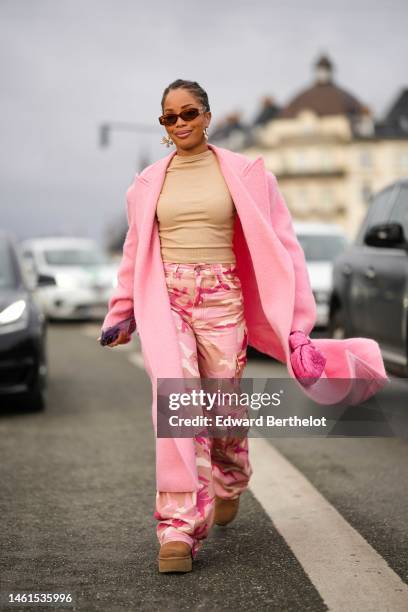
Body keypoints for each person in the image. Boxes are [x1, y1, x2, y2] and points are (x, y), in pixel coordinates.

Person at [98, 79, 388, 573]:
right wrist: (122, 310)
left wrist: (297, 328)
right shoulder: (146, 183)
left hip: (222, 298)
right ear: (163, 126)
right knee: (179, 404)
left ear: (207, 116)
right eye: (169, 117)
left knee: (223, 402)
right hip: (166, 300)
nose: (180, 123)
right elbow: (134, 251)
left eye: (189, 113)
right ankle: (179, 527)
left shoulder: (247, 174)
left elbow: (284, 249)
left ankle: (230, 474)